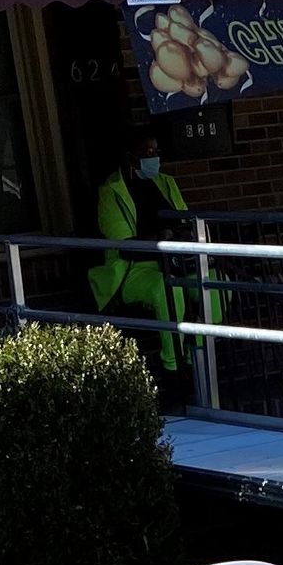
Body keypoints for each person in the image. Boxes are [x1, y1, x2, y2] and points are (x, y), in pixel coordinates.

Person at [90, 129, 191, 386]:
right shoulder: (111, 190)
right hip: (132, 268)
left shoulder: (166, 182)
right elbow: (124, 245)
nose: (154, 158)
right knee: (167, 289)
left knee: (214, 282)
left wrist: (176, 234)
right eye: (148, 153)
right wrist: (161, 235)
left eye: (157, 152)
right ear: (131, 157)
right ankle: (175, 368)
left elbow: (185, 222)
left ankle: (197, 355)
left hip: (175, 260)